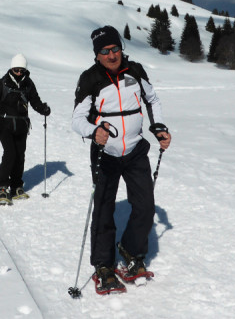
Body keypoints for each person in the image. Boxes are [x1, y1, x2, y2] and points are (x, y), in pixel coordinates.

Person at [71, 25, 172, 295]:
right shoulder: (90, 79)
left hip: (136, 148)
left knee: (146, 205)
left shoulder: (135, 72)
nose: (112, 55)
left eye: (115, 49)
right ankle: (103, 265)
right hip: (106, 153)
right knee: (104, 209)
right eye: (105, 51)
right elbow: (77, 119)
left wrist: (158, 126)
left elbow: (152, 99)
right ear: (97, 54)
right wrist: (95, 131)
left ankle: (131, 250)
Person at [0, 54, 50, 203]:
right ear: (11, 68)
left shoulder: (28, 84)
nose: (19, 73)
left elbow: (35, 101)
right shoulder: (2, 83)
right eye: (16, 70)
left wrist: (43, 109)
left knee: (20, 155)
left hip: (22, 125)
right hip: (4, 124)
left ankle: (16, 185)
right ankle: (1, 186)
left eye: (22, 70)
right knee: (10, 153)